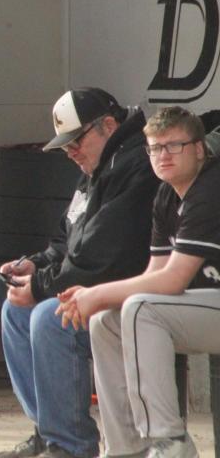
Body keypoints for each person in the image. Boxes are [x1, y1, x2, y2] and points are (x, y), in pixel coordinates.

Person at [0, 88, 158, 458]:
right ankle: (52, 433)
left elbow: (105, 257)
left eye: (76, 141)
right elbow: (67, 241)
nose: (71, 152)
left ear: (109, 126)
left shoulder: (136, 163)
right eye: (65, 146)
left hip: (134, 295)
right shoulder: (100, 164)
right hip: (100, 288)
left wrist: (40, 286)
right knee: (16, 311)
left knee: (47, 318)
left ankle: (69, 446)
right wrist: (35, 265)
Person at [59, 107, 220, 458]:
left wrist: (98, 292)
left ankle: (169, 442)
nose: (162, 156)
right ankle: (125, 447)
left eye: (173, 146)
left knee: (140, 308)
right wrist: (97, 299)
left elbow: (173, 280)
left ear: (198, 149)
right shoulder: (165, 193)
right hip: (208, 307)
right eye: (154, 148)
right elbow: (153, 274)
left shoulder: (210, 186)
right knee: (107, 321)